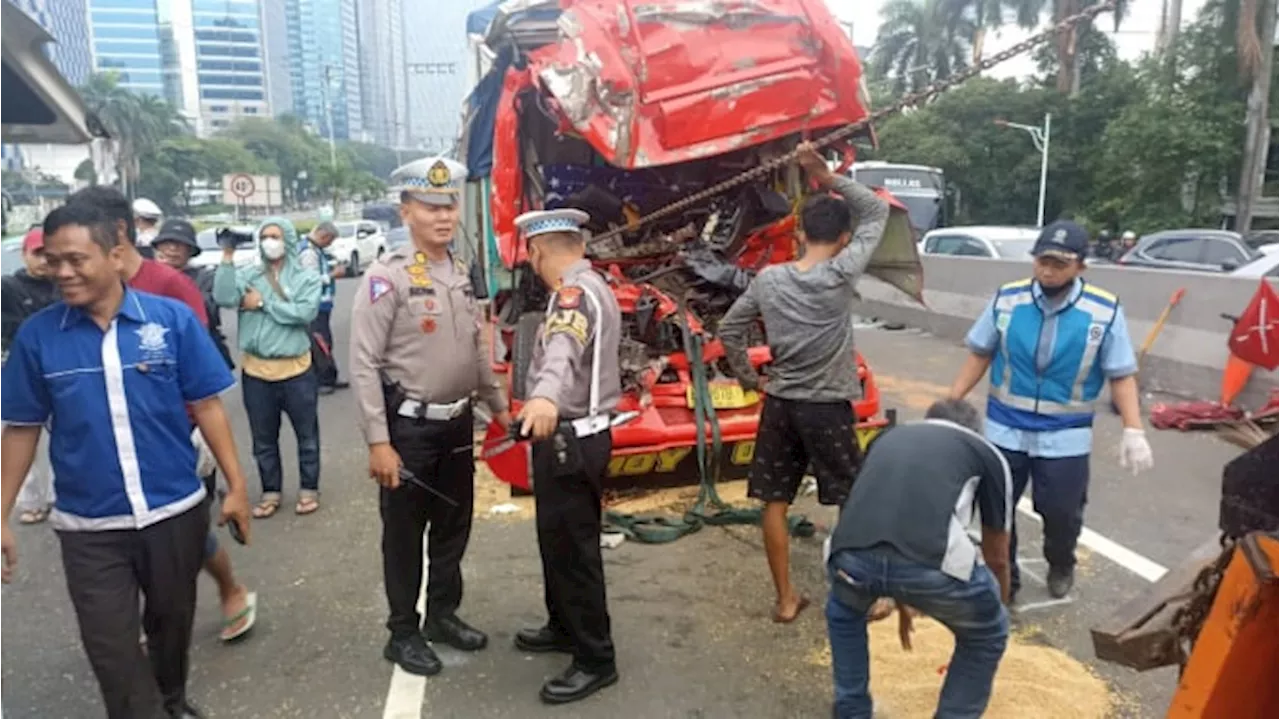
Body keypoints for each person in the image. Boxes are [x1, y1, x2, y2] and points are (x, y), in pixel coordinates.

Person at [0, 203, 253, 719]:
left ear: (117, 255)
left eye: (76, 259)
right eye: (52, 261)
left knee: (171, 626)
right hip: (90, 527)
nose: (62, 272)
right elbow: (22, 427)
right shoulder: (38, 338)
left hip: (173, 512)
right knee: (112, 649)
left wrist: (238, 485)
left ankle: (172, 701)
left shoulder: (171, 322)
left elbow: (207, 404)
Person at [350, 157, 511, 677]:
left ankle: (443, 614)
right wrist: (379, 441)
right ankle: (403, 631)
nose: (443, 216)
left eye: (449, 205)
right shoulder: (385, 278)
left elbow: (475, 351)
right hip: (410, 429)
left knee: (452, 527)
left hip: (458, 424)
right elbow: (364, 363)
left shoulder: (458, 273)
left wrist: (498, 406)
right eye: (430, 206)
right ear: (406, 211)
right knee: (403, 534)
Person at [717, 141, 889, 623]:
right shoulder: (840, 272)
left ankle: (786, 598)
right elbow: (875, 210)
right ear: (842, 237)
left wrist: (751, 379)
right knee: (852, 499)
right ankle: (867, 595)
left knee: (774, 498)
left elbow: (729, 329)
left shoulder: (770, 280)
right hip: (828, 404)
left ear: (800, 232)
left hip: (780, 404)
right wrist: (823, 173)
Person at [948, 220, 1155, 600]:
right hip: (1005, 428)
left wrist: (1133, 429)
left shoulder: (1103, 311)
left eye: (1059, 264)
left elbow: (1121, 374)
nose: (1048, 270)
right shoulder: (1008, 300)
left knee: (1061, 513)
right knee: (997, 510)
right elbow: (981, 353)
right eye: (1042, 261)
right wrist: (950, 404)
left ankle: (1061, 562)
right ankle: (1004, 580)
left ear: (1080, 267)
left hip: (1065, 435)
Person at [826, 399, 1012, 719]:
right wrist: (997, 609)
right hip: (930, 563)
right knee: (986, 635)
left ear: (929, 420)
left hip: (847, 555)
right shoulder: (986, 453)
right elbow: (997, 557)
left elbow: (887, 518)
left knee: (843, 613)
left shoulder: (888, 438)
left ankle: (851, 710)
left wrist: (899, 595)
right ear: (975, 430)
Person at [511, 206, 621, 705]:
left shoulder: (574, 295)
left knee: (574, 551)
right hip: (566, 438)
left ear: (536, 251)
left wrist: (544, 397)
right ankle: (563, 625)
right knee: (554, 540)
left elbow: (561, 350)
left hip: (572, 439)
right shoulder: (590, 284)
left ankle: (596, 659)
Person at [150, 218, 257, 642]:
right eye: (165, 243)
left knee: (188, 526)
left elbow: (201, 384)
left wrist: (236, 483)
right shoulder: (94, 291)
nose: (171, 251)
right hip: (129, 430)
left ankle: (229, 587)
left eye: (180, 245)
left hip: (186, 419)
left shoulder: (189, 285)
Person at [214, 218, 323, 517]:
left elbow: (305, 312)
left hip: (296, 371)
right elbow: (223, 297)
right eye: (264, 236)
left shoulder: (306, 278)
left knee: (307, 436)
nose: (269, 242)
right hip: (256, 373)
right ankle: (270, 491)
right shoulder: (248, 275)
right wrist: (227, 256)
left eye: (275, 236)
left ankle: (309, 489)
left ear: (287, 239)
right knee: (263, 439)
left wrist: (263, 304)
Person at [67, 187, 208, 327]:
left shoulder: (172, 283)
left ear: (119, 228)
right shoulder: (78, 290)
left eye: (83, 231)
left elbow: (197, 343)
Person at [1, 227, 58, 524]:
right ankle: (32, 501)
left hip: (59, 372)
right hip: (20, 374)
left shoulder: (63, 286)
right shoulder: (8, 288)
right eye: (37, 253)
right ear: (24, 254)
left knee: (59, 440)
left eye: (49, 254)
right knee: (23, 436)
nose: (44, 261)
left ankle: (57, 497)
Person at [152, 219, 234, 368]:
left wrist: (172, 278)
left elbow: (208, 313)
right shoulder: (146, 276)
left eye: (179, 244)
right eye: (166, 243)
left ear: (190, 250)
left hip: (197, 354)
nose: (172, 248)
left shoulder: (205, 277)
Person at [299, 220, 348, 393]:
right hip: (314, 305)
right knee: (319, 343)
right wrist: (333, 274)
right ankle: (321, 380)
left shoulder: (316, 251)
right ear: (323, 235)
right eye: (330, 241)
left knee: (325, 341)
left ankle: (329, 377)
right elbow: (310, 281)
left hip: (322, 304)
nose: (329, 244)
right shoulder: (308, 253)